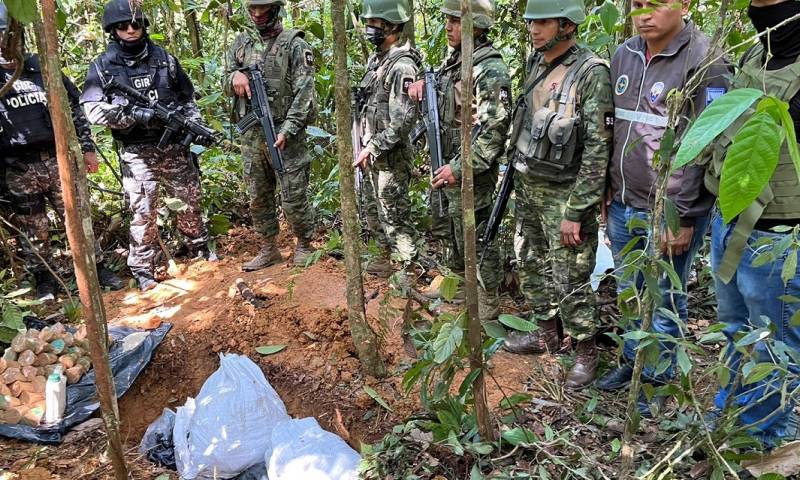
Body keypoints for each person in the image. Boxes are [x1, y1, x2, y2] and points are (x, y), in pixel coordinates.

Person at [597, 0, 729, 406]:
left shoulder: (708, 60)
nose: (644, 14)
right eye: (638, 4)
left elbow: (707, 142)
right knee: (629, 286)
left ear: (684, 5)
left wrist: (686, 214)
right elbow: (614, 128)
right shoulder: (625, 53)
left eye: (656, 4)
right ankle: (634, 359)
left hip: (670, 208)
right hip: (623, 199)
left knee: (665, 295)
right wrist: (606, 187)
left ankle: (657, 379)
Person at [501, 0, 613, 389]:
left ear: (567, 24)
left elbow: (599, 149)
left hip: (565, 194)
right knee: (529, 260)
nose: (534, 29)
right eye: (531, 21)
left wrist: (577, 209)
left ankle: (585, 350)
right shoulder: (537, 64)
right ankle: (547, 331)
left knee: (571, 275)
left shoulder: (591, 73)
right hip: (529, 183)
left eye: (543, 22)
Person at [704, 0, 800, 446]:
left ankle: (764, 438)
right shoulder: (755, 53)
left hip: (779, 234)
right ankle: (730, 417)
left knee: (773, 343)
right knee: (734, 330)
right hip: (730, 220)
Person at [81, 0, 212, 292]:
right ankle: (143, 268)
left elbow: (187, 99)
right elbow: (91, 109)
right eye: (122, 26)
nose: (130, 30)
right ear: (112, 30)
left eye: (136, 24)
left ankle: (199, 250)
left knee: (189, 199)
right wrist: (131, 115)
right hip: (137, 150)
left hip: (174, 146)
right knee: (143, 208)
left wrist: (193, 125)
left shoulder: (164, 59)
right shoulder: (103, 66)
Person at [0, 1, 122, 301]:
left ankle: (96, 269)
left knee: (78, 217)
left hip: (58, 160)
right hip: (18, 167)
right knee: (33, 228)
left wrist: (88, 148)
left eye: (5, 35)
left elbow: (75, 109)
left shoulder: (40, 67)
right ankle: (45, 280)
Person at [408, 0, 510, 320]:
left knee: (479, 233)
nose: (449, 27)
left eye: (456, 21)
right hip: (449, 160)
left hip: (471, 165)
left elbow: (494, 131)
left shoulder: (489, 68)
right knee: (451, 227)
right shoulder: (456, 61)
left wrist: (460, 166)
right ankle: (459, 283)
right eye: (448, 20)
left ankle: (487, 297)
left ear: (476, 26)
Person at [226, 0, 318, 271]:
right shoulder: (241, 44)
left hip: (285, 133)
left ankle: (303, 245)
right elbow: (225, 80)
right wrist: (234, 78)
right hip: (252, 134)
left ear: (275, 9)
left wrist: (288, 129)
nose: (256, 15)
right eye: (252, 9)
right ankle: (268, 248)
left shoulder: (295, 45)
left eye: (262, 10)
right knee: (258, 194)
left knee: (294, 193)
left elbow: (305, 93)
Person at [353, 0, 420, 277]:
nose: (369, 30)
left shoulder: (402, 66)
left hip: (390, 158)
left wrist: (374, 146)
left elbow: (403, 120)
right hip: (371, 152)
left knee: (395, 217)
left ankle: (406, 269)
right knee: (372, 212)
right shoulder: (377, 60)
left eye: (374, 24)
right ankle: (382, 260)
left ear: (391, 26)